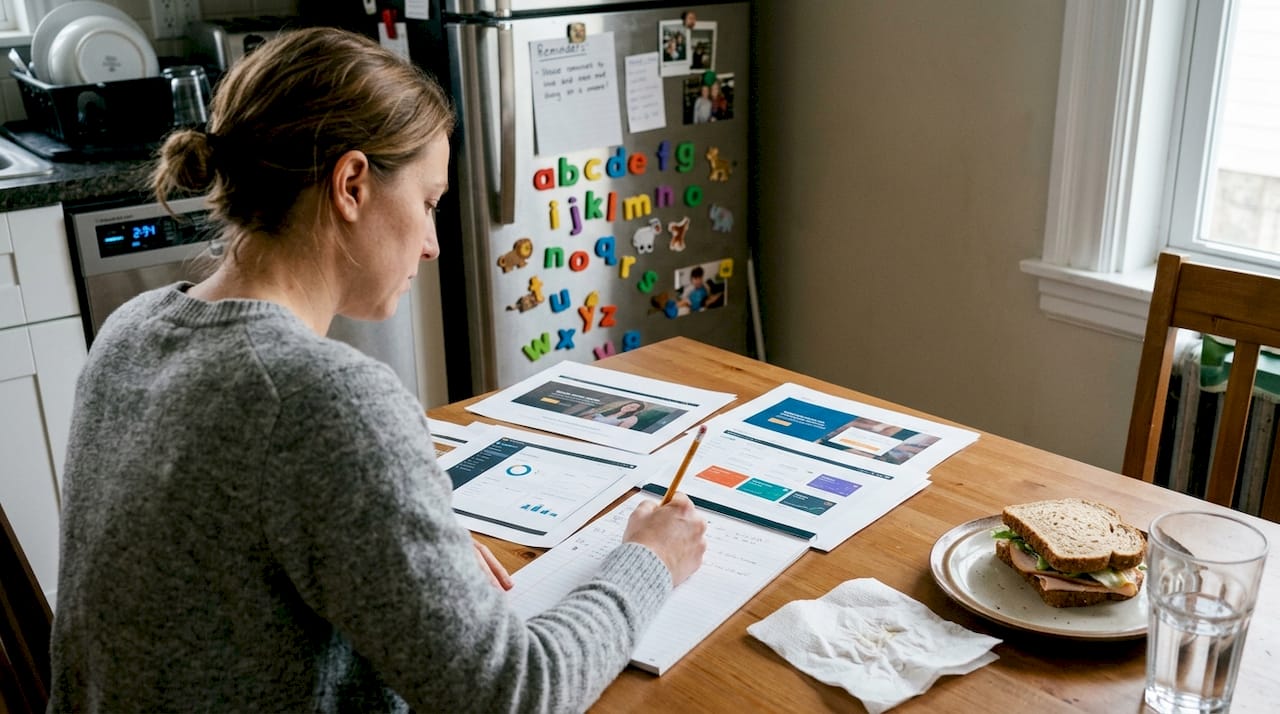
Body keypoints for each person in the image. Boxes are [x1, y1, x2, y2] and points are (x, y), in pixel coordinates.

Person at [47, 28, 706, 713]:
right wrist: (649, 561)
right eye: (428, 203)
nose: (431, 246)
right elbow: (516, 694)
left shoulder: (132, 328)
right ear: (352, 184)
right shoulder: (322, 397)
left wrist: (404, 557)